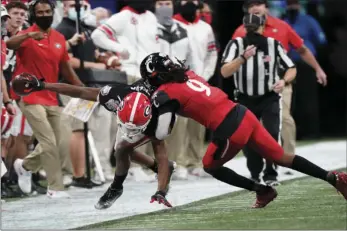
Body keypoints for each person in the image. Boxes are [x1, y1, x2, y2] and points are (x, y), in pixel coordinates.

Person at [141, 52, 346, 208]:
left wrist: (149, 122)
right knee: (281, 156)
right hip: (241, 112)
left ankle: (263, 191)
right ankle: (334, 178)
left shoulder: (165, 93)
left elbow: (161, 133)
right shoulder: (188, 73)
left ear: (156, 77)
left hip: (229, 127)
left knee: (210, 166)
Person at [11, 73, 176, 208]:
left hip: (153, 117)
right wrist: (44, 86)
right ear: (119, 105)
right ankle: (134, 178)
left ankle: (119, 186)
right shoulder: (114, 94)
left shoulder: (161, 113)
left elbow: (161, 152)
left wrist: (160, 192)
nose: (132, 130)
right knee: (122, 149)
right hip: (133, 112)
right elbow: (80, 92)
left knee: (135, 150)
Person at [232, 0, 328, 184]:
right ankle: (258, 165)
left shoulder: (281, 26)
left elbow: (301, 49)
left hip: (279, 83)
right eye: (251, 5)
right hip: (251, 89)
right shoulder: (240, 31)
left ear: (266, 7)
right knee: (252, 126)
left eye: (259, 3)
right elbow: (232, 60)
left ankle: (289, 158)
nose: (255, 7)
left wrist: (318, 69)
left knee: (283, 120)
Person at [6, 0, 84, 198]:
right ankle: (55, 188)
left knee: (63, 140)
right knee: (48, 141)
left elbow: (66, 69)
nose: (44, 15)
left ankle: (25, 165)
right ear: (33, 14)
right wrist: (29, 35)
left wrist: (84, 90)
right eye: (39, 12)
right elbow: (9, 43)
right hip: (28, 95)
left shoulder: (58, 38)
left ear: (52, 12)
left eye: (47, 11)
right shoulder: (26, 33)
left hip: (51, 96)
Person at [221, 14, 297, 185]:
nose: (252, 33)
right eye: (249, 29)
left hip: (269, 97)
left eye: (255, 29)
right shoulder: (236, 44)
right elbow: (224, 72)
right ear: (243, 29)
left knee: (271, 134)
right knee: (247, 138)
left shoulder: (273, 44)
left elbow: (291, 68)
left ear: (263, 28)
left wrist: (284, 81)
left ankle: (271, 173)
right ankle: (254, 172)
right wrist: (242, 58)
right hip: (244, 98)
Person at [91, 0, 160, 181]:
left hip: (148, 77)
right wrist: (120, 49)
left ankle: (135, 166)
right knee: (116, 125)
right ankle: (105, 167)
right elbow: (97, 35)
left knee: (142, 122)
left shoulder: (151, 17)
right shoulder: (123, 16)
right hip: (129, 74)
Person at [173, 0, 218, 178]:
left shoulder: (205, 28)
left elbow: (211, 54)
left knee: (197, 124)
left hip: (198, 81)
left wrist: (205, 76)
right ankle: (178, 162)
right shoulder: (172, 25)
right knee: (177, 125)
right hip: (176, 82)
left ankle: (195, 161)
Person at [154, 0, 191, 180]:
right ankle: (151, 166)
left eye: (167, 2)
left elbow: (192, 56)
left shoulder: (183, 29)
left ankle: (180, 163)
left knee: (179, 125)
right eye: (160, 3)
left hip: (178, 82)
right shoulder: (148, 27)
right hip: (154, 82)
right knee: (150, 124)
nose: (164, 6)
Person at [283, 0, 327, 139]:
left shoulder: (308, 20)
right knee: (291, 99)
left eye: (294, 4)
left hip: (306, 65)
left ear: (299, 6)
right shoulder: (283, 22)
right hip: (288, 64)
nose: (292, 7)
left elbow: (321, 40)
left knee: (308, 98)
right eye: (289, 4)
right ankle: (295, 133)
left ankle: (312, 131)